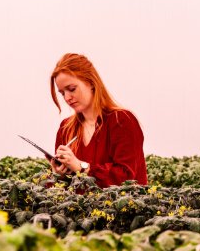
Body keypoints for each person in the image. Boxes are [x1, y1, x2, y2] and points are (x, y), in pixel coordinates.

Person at [49, 53, 148, 188]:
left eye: (72, 89)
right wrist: (59, 175)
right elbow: (62, 192)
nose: (67, 98)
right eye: (62, 93)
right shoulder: (65, 128)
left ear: (90, 82)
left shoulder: (122, 121)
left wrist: (82, 168)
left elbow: (126, 178)